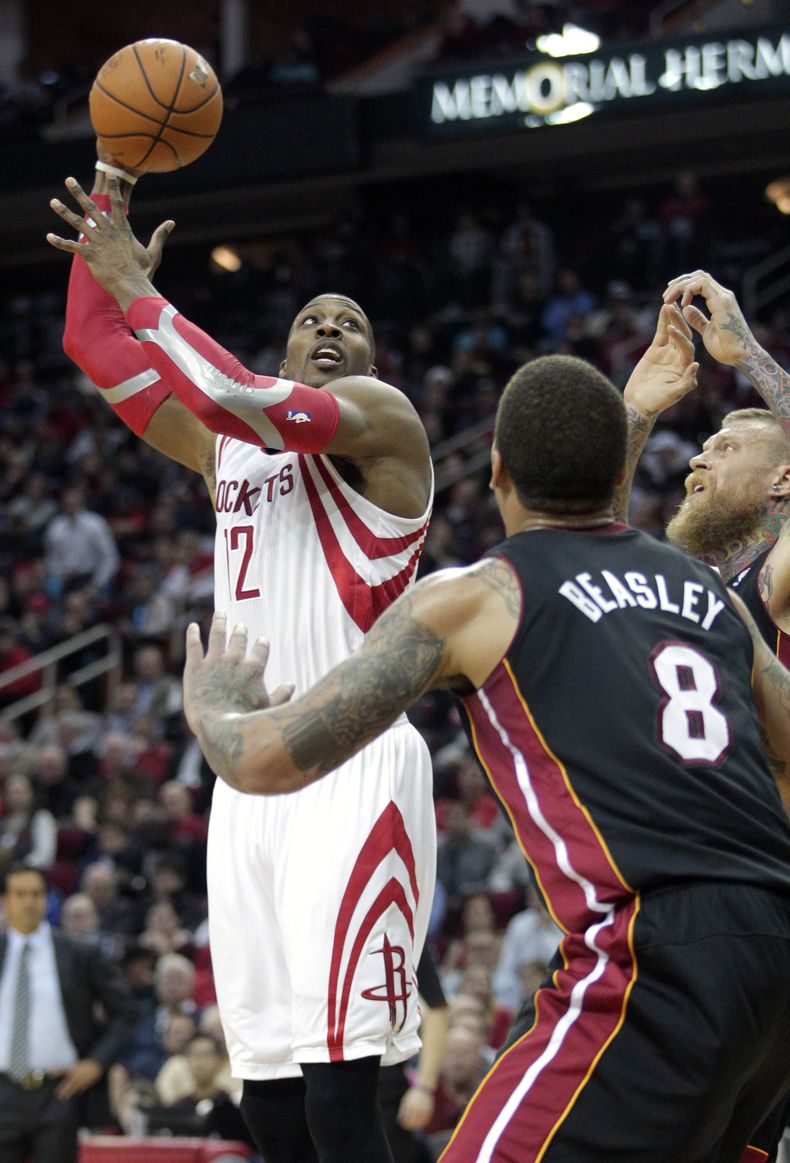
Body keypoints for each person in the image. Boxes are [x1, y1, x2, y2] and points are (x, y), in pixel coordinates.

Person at [182, 352, 790, 1162]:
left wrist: (212, 703)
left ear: (497, 470)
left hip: (657, 947)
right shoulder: (707, 591)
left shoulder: (478, 594)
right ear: (619, 469)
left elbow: (261, 761)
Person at [47, 159, 436, 1163]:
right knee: (269, 1100)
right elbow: (89, 341)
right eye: (311, 318)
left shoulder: (383, 423)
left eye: (349, 320)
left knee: (347, 1097)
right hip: (245, 775)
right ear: (286, 341)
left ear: (372, 359)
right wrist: (111, 191)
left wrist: (142, 288)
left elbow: (233, 391)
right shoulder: (233, 451)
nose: (329, 328)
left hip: (351, 763)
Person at [619, 270, 790, 1161]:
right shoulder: (700, 584)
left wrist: (749, 357)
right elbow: (569, 544)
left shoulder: (777, 575)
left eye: (725, 445)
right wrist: (638, 411)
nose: (698, 458)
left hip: (758, 912)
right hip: (709, 913)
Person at [0, 863, 135, 1163]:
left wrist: (96, 1063)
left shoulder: (77, 952)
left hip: (59, 1093)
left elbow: (125, 1013)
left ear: (47, 899)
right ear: (5, 900)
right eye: (19, 894)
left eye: (36, 894)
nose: (28, 902)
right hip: (3, 1089)